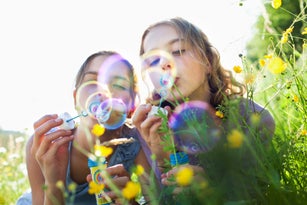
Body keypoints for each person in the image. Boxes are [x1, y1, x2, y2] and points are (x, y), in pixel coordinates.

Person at [132, 17, 276, 203]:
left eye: (177, 51)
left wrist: (212, 191)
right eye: (152, 61)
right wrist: (162, 158)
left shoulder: (250, 118)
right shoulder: (146, 130)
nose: (163, 64)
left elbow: (261, 194)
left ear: (208, 61)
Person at [17, 51, 150, 205]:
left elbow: (156, 200)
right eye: (92, 82)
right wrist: (53, 186)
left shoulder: (135, 142)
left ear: (131, 106)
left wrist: (131, 202)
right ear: (76, 99)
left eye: (118, 85)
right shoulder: (46, 145)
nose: (103, 92)